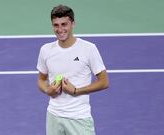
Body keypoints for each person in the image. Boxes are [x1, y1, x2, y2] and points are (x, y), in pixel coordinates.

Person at [36, 4, 109, 135]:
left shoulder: (89, 49)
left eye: (64, 24)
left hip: (79, 118)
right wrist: (48, 90)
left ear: (73, 24)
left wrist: (76, 91)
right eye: (56, 25)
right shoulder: (45, 50)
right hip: (53, 116)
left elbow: (104, 82)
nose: (60, 29)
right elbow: (41, 79)